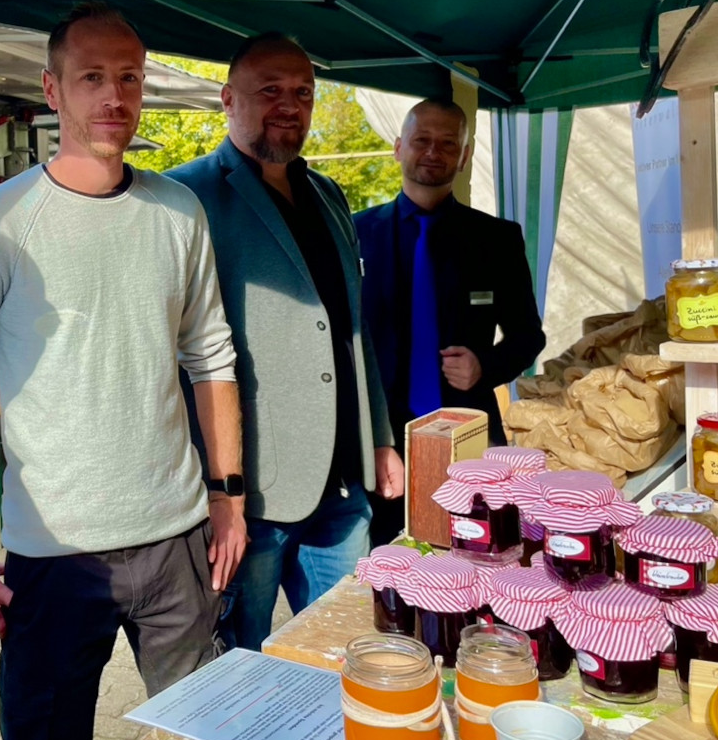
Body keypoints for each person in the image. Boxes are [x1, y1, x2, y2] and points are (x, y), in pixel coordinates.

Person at [0, 2, 245, 740]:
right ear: (53, 90)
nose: (114, 96)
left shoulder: (177, 211)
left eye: (128, 78)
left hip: (177, 540)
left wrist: (228, 499)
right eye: (91, 77)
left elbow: (212, 359)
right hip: (56, 554)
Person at [167, 32, 403, 651]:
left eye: (302, 92)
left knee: (348, 653)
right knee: (240, 663)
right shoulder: (183, 196)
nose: (288, 105)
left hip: (341, 489)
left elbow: (351, 331)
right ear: (228, 99)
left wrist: (378, 438)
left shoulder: (328, 195)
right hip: (251, 498)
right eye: (269, 90)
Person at [354, 98, 546, 546]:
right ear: (399, 147)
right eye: (421, 140)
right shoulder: (355, 233)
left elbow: (527, 335)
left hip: (468, 433)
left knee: (475, 555)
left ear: (463, 156)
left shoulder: (497, 239)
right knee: (385, 570)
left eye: (447, 144)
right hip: (380, 440)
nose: (433, 152)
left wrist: (486, 365)